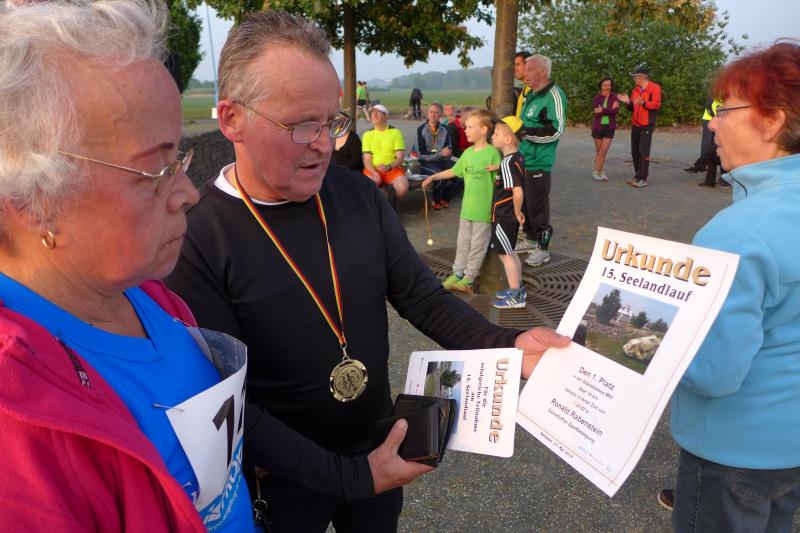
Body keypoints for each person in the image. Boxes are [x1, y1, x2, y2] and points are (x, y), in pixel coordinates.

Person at [164, 11, 571, 532]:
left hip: (377, 447)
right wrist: (351, 477)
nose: (324, 143)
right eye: (301, 125)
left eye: (332, 121)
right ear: (231, 119)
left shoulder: (357, 195)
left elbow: (422, 298)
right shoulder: (197, 239)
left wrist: (507, 344)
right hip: (282, 481)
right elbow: (230, 406)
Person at [0, 1, 252, 531]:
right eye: (155, 171)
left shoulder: (143, 292)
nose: (188, 193)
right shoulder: (18, 436)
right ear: (33, 199)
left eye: (180, 159)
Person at [669, 41, 800, 532]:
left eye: (723, 111)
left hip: (733, 450)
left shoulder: (738, 233)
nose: (711, 124)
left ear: (771, 122)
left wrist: (636, 341)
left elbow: (713, 372)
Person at [421, 110, 500, 293]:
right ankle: (457, 274)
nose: (465, 130)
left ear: (484, 130)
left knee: (477, 246)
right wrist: (433, 177)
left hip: (483, 212)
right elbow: (454, 171)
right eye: (466, 127)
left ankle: (469, 278)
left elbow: (502, 180)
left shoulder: (492, 154)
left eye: (470, 127)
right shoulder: (468, 153)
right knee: (463, 243)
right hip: (467, 210)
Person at [516, 54, 568, 267]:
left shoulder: (554, 95)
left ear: (543, 72)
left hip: (539, 162)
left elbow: (556, 130)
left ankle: (543, 248)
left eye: (529, 69)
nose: (525, 73)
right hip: (524, 159)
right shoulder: (531, 94)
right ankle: (530, 239)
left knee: (538, 207)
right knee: (525, 204)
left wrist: (525, 133)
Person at [487, 117, 527, 309]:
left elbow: (517, 192)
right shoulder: (517, 157)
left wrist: (517, 212)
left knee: (504, 255)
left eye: (496, 134)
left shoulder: (507, 163)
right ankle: (519, 288)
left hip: (504, 215)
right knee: (511, 251)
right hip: (509, 215)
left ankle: (516, 296)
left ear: (508, 139)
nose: (492, 136)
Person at [618, 64, 662, 188]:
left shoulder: (655, 88)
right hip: (635, 124)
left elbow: (656, 105)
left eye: (635, 76)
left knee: (643, 151)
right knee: (635, 152)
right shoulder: (636, 90)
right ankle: (638, 175)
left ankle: (643, 178)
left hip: (646, 125)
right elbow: (632, 107)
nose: (633, 79)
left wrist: (644, 103)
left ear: (642, 77)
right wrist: (628, 102)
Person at [362, 103, 409, 206]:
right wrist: (374, 172)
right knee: (367, 188)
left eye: (378, 112)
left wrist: (388, 166)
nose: (374, 115)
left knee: (402, 188)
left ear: (386, 116)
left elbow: (400, 157)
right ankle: (381, 207)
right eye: (372, 112)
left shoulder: (395, 132)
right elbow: (367, 160)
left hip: (392, 169)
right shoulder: (367, 135)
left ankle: (386, 204)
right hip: (372, 170)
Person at [416, 102, 460, 209]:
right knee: (440, 176)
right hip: (427, 163)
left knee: (462, 174)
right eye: (431, 112)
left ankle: (445, 197)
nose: (433, 115)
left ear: (440, 114)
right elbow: (422, 154)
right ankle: (436, 199)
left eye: (436, 112)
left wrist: (443, 154)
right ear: (427, 113)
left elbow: (448, 150)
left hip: (443, 161)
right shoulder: (421, 129)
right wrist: (440, 154)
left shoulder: (445, 129)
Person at [685, 98, 724, 187]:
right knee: (712, 149)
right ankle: (708, 177)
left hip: (721, 122)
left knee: (712, 150)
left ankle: (699, 167)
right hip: (716, 119)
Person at [591, 77, 620, 181]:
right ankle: (602, 172)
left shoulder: (615, 97)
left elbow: (614, 112)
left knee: (603, 151)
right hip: (597, 128)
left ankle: (596, 172)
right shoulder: (596, 98)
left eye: (609, 85)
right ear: (601, 86)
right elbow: (596, 113)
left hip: (609, 128)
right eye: (605, 85)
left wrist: (603, 109)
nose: (608, 87)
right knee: (599, 151)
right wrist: (609, 109)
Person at [514, 50, 532, 117]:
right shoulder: (526, 87)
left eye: (517, 65)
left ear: (528, 65)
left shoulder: (533, 89)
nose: (514, 68)